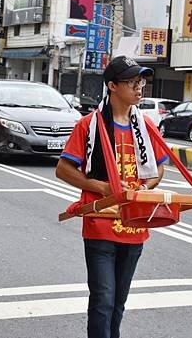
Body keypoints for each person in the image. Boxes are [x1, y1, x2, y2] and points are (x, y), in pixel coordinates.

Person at [56, 56, 168, 338]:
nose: (139, 87)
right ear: (112, 86)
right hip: (100, 225)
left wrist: (147, 187)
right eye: (132, 82)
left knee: (118, 303)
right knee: (103, 300)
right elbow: (63, 169)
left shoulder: (144, 126)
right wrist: (101, 187)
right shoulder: (90, 125)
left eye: (140, 81)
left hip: (134, 226)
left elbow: (159, 168)